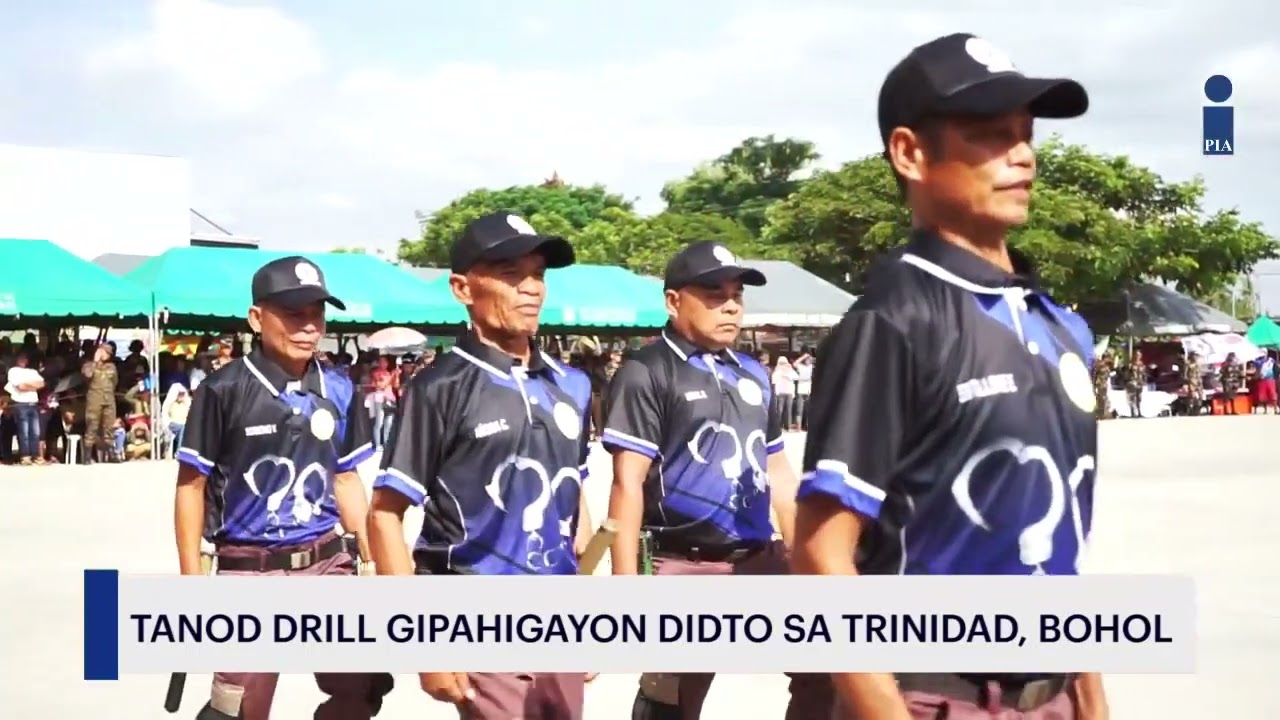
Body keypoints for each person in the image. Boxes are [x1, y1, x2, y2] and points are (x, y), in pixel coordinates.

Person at [789, 33, 1106, 720]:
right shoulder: (894, 322)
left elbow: (1061, 551)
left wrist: (1089, 699)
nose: (1022, 155)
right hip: (935, 695)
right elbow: (820, 555)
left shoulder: (1059, 326)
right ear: (910, 153)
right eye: (990, 134)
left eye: (1026, 134)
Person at [368, 212, 594, 720]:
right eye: (511, 274)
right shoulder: (438, 388)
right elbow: (384, 514)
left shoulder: (573, 385)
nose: (530, 288)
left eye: (538, 274)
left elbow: (575, 497)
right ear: (462, 289)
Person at [601, 241, 830, 720]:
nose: (730, 306)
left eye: (736, 296)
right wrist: (625, 591)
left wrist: (805, 555)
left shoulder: (753, 373)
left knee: (830, 665)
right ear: (673, 301)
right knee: (671, 700)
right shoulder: (646, 372)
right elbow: (626, 483)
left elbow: (778, 472)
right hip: (684, 563)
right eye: (714, 295)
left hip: (758, 559)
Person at [173, 256, 387, 720]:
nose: (308, 327)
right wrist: (191, 584)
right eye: (293, 314)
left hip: (328, 561)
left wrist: (372, 561)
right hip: (250, 570)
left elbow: (346, 478)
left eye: (317, 314)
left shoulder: (339, 387)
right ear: (257, 318)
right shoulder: (223, 390)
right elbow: (191, 486)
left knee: (363, 684)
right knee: (238, 707)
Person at [4, 352, 45, 465]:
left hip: (33, 404)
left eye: (25, 359)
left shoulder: (33, 371)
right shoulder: (13, 371)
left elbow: (42, 384)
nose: (23, 360)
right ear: (17, 359)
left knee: (35, 432)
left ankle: (35, 455)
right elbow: (20, 387)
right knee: (24, 431)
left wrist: (27, 385)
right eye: (21, 358)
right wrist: (33, 386)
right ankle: (25, 455)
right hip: (21, 404)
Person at [82, 344, 118, 463]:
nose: (108, 355)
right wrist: (95, 361)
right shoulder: (88, 365)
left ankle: (111, 454)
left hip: (109, 399)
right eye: (106, 352)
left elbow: (115, 382)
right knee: (92, 425)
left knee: (109, 426)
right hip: (94, 400)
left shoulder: (112, 367)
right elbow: (87, 375)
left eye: (109, 353)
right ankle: (87, 456)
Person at [1092, 351, 1113, 419]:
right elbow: (1095, 374)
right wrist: (1094, 384)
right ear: (1105, 357)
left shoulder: (1107, 365)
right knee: (1101, 399)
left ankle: (1103, 414)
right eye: (1108, 357)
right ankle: (1101, 414)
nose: (1109, 359)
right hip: (1100, 383)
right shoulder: (1100, 364)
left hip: (1104, 383)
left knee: (1103, 398)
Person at [1125, 350, 1145, 418]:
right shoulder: (1131, 364)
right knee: (1132, 398)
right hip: (1132, 382)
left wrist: (1144, 381)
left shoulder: (1142, 364)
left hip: (1140, 382)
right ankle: (1133, 413)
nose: (1137, 356)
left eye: (1139, 355)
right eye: (1136, 355)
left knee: (1139, 398)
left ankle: (1139, 412)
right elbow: (1127, 374)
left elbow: (1144, 374)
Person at [1182, 352, 1203, 416]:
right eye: (1194, 356)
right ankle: (1190, 410)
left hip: (1198, 380)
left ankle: (1197, 409)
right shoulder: (1188, 364)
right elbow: (1185, 374)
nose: (1196, 358)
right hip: (1191, 380)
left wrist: (1200, 380)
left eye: (1196, 356)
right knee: (1192, 396)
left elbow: (1199, 373)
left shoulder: (1197, 364)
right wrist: (1186, 382)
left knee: (1200, 395)